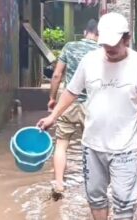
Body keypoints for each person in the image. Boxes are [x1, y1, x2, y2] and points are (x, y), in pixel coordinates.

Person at [37, 12, 137, 219]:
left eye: (114, 47)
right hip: (92, 146)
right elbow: (71, 92)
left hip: (125, 148)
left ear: (126, 40)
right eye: (105, 46)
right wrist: (53, 116)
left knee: (125, 204)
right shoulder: (89, 61)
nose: (109, 51)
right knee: (96, 198)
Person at [47, 19, 100, 199]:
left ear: (86, 31)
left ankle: (60, 184)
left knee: (61, 144)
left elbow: (56, 74)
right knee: (92, 147)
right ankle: (93, 186)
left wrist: (53, 98)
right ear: (99, 34)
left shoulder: (70, 47)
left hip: (68, 103)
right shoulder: (102, 51)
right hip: (92, 106)